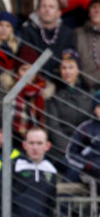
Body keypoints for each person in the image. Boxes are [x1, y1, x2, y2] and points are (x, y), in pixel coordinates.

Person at [0, 127, 58, 217]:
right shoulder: (12, 166)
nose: (35, 147)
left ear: (47, 146)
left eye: (39, 143)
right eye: (31, 143)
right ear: (24, 145)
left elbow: (50, 205)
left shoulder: (51, 170)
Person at [45, 48, 93, 176]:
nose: (67, 71)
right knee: (75, 170)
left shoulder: (89, 94)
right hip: (61, 151)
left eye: (71, 67)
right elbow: (54, 128)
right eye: (63, 68)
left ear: (78, 70)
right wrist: (73, 151)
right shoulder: (52, 96)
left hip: (87, 149)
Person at [19, 0, 76, 78]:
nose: (47, 10)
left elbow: (70, 60)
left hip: (61, 81)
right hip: (36, 81)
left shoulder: (68, 33)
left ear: (58, 13)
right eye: (43, 6)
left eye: (51, 7)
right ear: (38, 11)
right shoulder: (27, 31)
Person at [65, 90, 100, 184]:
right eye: (99, 107)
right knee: (72, 173)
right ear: (94, 109)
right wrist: (88, 165)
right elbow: (71, 153)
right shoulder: (86, 128)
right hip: (89, 172)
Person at [75, 0, 100, 87]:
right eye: (94, 7)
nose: (97, 10)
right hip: (84, 87)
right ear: (89, 13)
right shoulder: (77, 33)